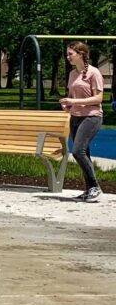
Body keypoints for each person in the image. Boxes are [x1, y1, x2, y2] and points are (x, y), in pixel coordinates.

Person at [60, 41, 105, 202]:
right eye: (67, 54)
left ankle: (95, 187)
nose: (68, 57)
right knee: (84, 152)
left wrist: (76, 103)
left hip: (91, 116)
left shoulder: (94, 73)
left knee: (78, 151)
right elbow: (72, 97)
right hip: (75, 117)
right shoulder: (73, 74)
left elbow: (99, 98)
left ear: (80, 54)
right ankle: (89, 189)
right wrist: (68, 104)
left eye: (70, 54)